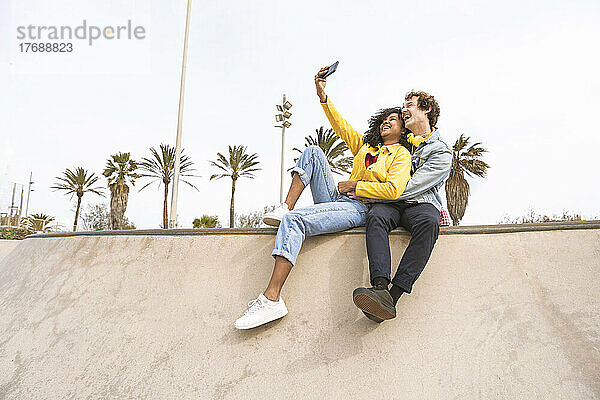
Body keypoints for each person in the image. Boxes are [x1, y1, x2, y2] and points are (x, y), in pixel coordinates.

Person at [234, 66, 413, 329]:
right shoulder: (366, 146)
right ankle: (285, 206)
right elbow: (340, 125)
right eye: (384, 118)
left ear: (402, 129)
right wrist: (323, 95)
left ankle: (272, 299)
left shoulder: (401, 155)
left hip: (359, 208)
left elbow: (393, 190)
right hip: (337, 198)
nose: (387, 121)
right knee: (315, 152)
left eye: (394, 119)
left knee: (295, 223)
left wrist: (356, 185)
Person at [351, 90, 452, 323]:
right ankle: (379, 286)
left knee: (429, 222)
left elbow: (410, 188)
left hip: (420, 203)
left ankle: (392, 297)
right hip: (390, 205)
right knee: (376, 217)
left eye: (409, 105)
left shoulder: (441, 151)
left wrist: (367, 192)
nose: (403, 110)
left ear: (426, 109)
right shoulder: (400, 144)